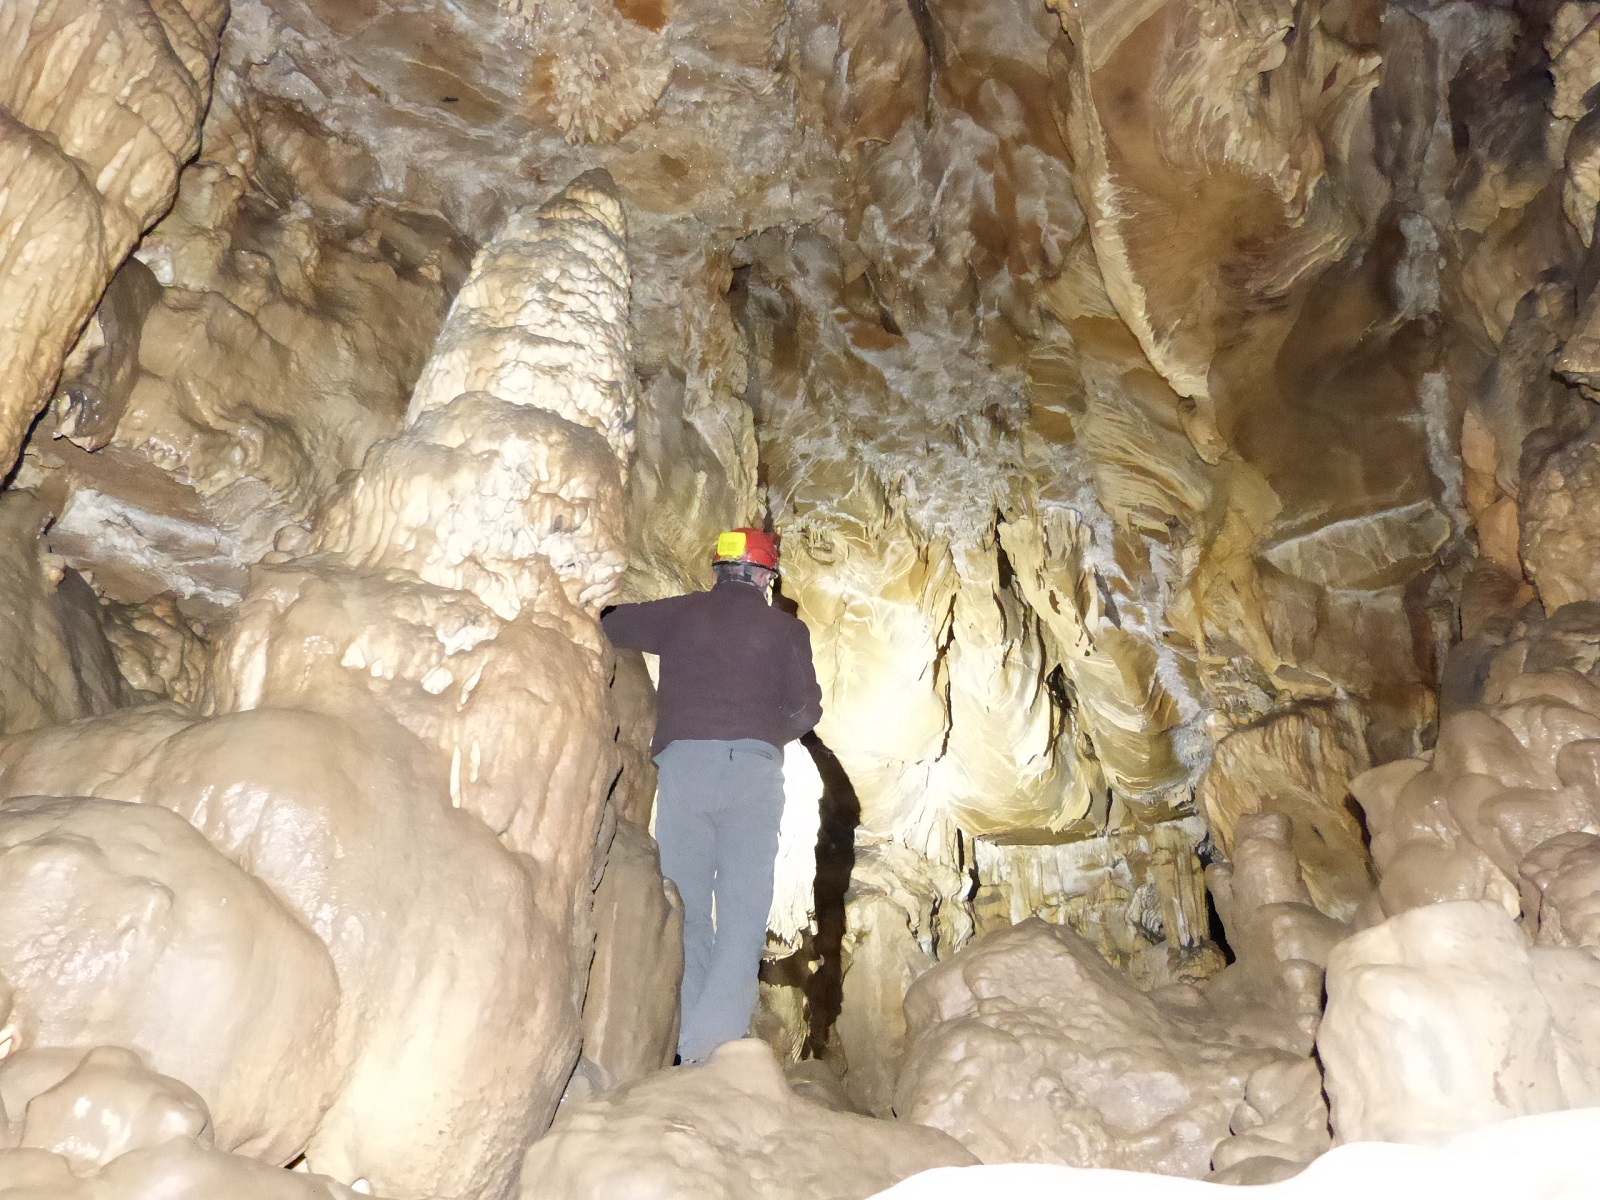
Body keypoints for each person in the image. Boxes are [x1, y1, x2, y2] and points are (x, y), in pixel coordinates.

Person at [600, 527, 823, 1063]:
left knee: (691, 906)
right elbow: (808, 709)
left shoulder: (681, 614)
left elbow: (611, 623)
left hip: (685, 768)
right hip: (752, 772)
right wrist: (763, 733)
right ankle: (715, 1042)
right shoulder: (784, 631)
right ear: (766, 575)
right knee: (744, 914)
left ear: (719, 570)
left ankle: (684, 1045)